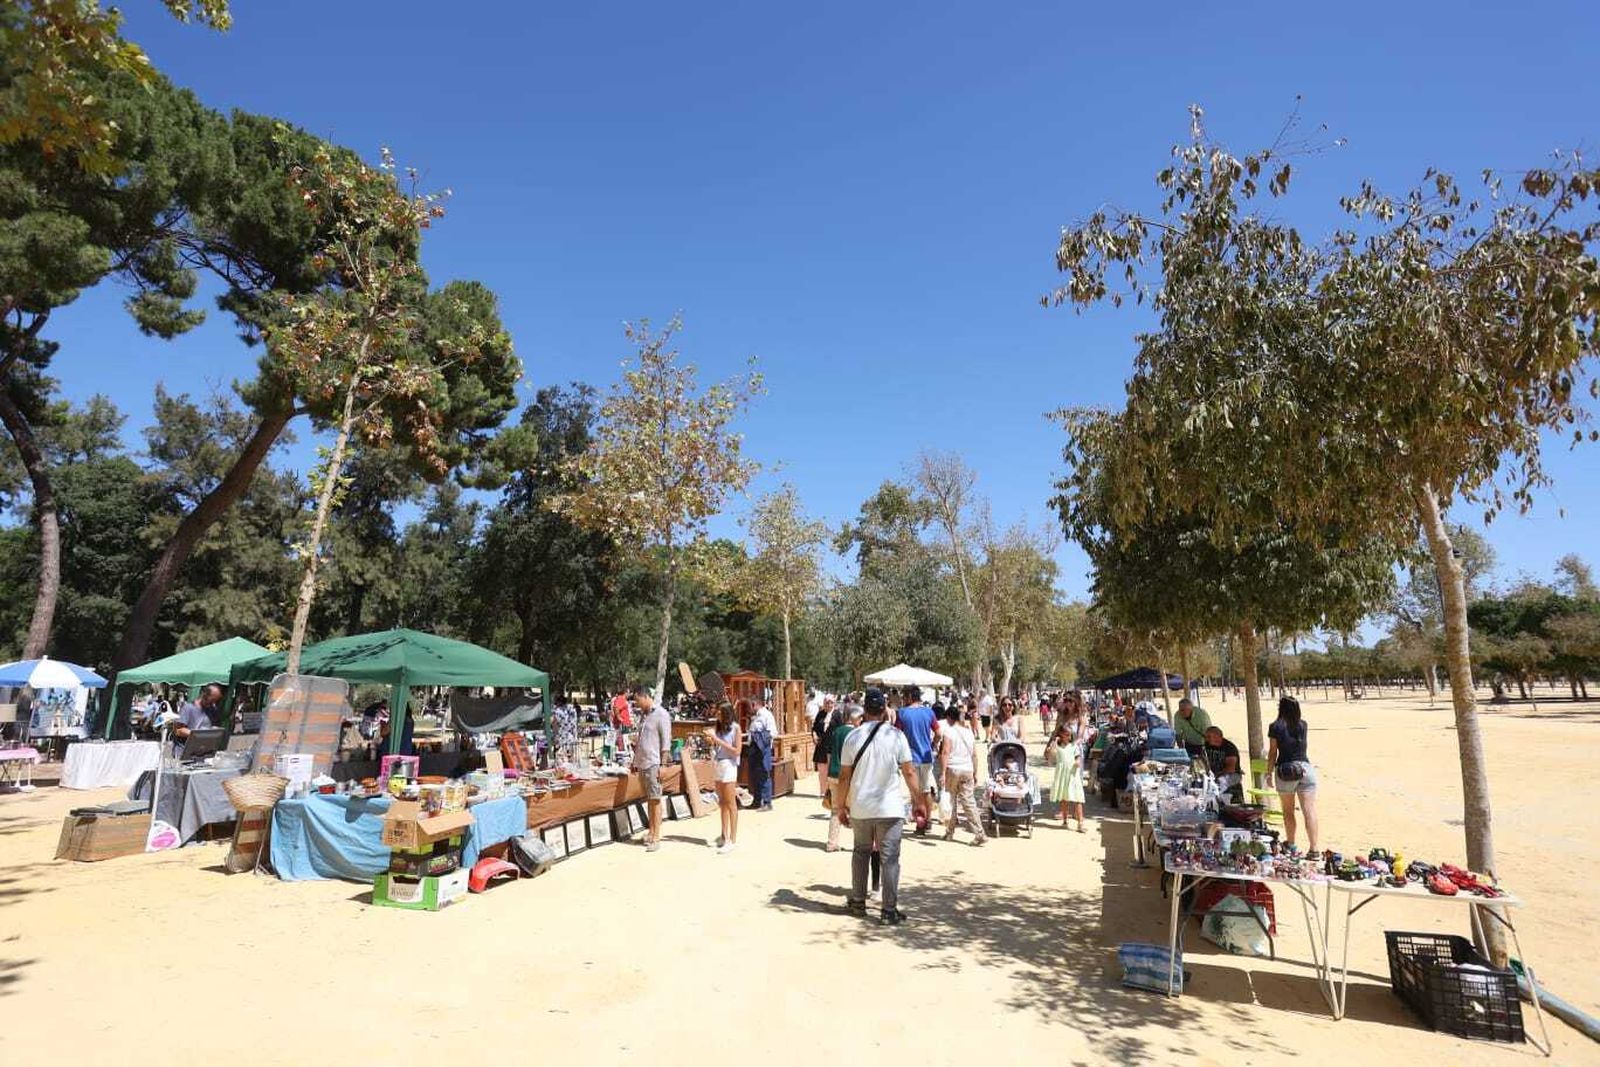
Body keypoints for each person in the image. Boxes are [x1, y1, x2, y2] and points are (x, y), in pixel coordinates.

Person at [838, 688, 928, 926]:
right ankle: (888, 910)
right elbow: (909, 771)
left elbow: (844, 777)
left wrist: (840, 806)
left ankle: (858, 901)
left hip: (861, 807)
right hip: (889, 808)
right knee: (890, 859)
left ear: (865, 710)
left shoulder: (852, 737)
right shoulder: (897, 737)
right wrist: (919, 801)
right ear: (884, 710)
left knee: (860, 853)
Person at [1266, 695, 1319, 853]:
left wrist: (1268, 773)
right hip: (1305, 768)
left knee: (1288, 811)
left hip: (1286, 769)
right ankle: (1314, 848)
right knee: (1309, 810)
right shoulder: (1303, 725)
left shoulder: (1275, 726)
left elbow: (1273, 752)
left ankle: (1291, 844)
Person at [630, 685, 673, 853]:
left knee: (655, 800)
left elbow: (666, 742)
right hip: (643, 763)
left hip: (654, 764)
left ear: (645, 696)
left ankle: (656, 837)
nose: (636, 704)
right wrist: (635, 761)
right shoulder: (644, 716)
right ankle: (651, 831)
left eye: (637, 700)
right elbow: (641, 741)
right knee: (650, 799)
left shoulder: (661, 714)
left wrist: (663, 765)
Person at [937, 705, 985, 846]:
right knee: (969, 802)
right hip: (967, 769)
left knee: (952, 802)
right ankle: (979, 832)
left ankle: (950, 832)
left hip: (953, 768)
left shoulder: (949, 732)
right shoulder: (969, 732)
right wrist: (975, 772)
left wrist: (943, 773)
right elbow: (974, 755)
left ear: (950, 718)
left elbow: (945, 752)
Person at [892, 686, 937, 835]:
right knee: (926, 790)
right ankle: (929, 820)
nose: (903, 700)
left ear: (910, 697)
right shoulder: (929, 712)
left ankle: (920, 823)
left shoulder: (902, 713)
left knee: (915, 792)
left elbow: (896, 734)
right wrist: (932, 745)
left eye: (904, 696)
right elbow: (938, 732)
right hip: (926, 756)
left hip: (909, 758)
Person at [704, 702, 742, 854]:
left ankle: (732, 839)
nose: (717, 715)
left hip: (729, 766)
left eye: (720, 713)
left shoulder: (736, 728)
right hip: (718, 763)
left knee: (730, 802)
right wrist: (711, 741)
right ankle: (723, 835)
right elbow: (718, 747)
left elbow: (736, 751)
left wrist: (717, 740)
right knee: (722, 803)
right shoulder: (718, 728)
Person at [825, 704, 861, 851]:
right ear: (854, 718)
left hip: (833, 773)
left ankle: (831, 843)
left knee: (835, 809)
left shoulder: (836, 731)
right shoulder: (856, 733)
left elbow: (829, 753)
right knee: (855, 810)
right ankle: (860, 843)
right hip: (848, 776)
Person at [1046, 711, 1090, 832]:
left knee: (1078, 798)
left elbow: (1078, 757)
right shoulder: (1058, 747)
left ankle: (1080, 822)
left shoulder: (1073, 746)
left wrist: (1078, 763)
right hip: (1062, 775)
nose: (1068, 737)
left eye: (1069, 735)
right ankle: (1065, 820)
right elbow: (1051, 757)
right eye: (1065, 734)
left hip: (1072, 775)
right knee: (1064, 799)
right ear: (1061, 734)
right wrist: (1053, 744)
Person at [746, 698, 777, 810]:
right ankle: (757, 801)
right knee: (755, 775)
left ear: (754, 704)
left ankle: (767, 802)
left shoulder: (766, 715)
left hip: (762, 749)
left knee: (764, 774)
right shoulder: (756, 716)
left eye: (749, 706)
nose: (748, 709)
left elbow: (772, 732)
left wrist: (761, 742)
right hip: (754, 748)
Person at [1201, 725, 1243, 802]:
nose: (1206, 739)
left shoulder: (1229, 747)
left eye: (1209, 736)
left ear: (1217, 736)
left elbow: (1231, 768)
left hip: (1231, 775)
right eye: (1206, 736)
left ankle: (1220, 802)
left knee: (1221, 781)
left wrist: (1216, 775)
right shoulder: (1207, 745)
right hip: (1213, 774)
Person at [811, 696, 837, 800]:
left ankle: (831, 791)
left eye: (831, 702)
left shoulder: (837, 715)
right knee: (822, 770)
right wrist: (814, 735)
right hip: (821, 745)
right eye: (827, 702)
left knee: (831, 770)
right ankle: (823, 791)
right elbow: (814, 728)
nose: (829, 705)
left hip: (832, 746)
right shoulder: (820, 714)